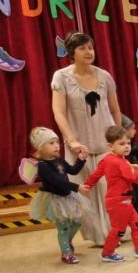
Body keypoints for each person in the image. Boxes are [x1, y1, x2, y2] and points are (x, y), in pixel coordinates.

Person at [51, 31, 122, 246]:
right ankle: (94, 236)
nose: (88, 52)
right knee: (83, 193)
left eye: (90, 47)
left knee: (109, 189)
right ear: (72, 52)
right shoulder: (61, 77)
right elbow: (58, 111)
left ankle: (112, 233)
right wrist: (71, 140)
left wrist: (118, 138)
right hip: (78, 147)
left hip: (105, 144)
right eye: (82, 48)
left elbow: (115, 110)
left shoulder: (104, 76)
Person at [80, 126, 138, 263]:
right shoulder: (120, 161)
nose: (127, 146)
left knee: (137, 224)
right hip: (119, 202)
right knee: (119, 230)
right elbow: (135, 177)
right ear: (111, 146)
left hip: (121, 200)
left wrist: (87, 185)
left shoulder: (110, 159)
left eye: (128, 143)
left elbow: (96, 174)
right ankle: (107, 253)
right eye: (122, 144)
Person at [27, 127, 90, 264]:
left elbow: (73, 171)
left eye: (57, 142)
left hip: (68, 196)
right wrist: (77, 187)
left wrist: (81, 159)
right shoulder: (42, 166)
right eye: (51, 143)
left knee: (77, 222)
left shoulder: (59, 159)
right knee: (63, 227)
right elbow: (58, 182)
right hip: (55, 200)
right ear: (40, 147)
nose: (56, 146)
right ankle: (66, 253)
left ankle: (66, 241)